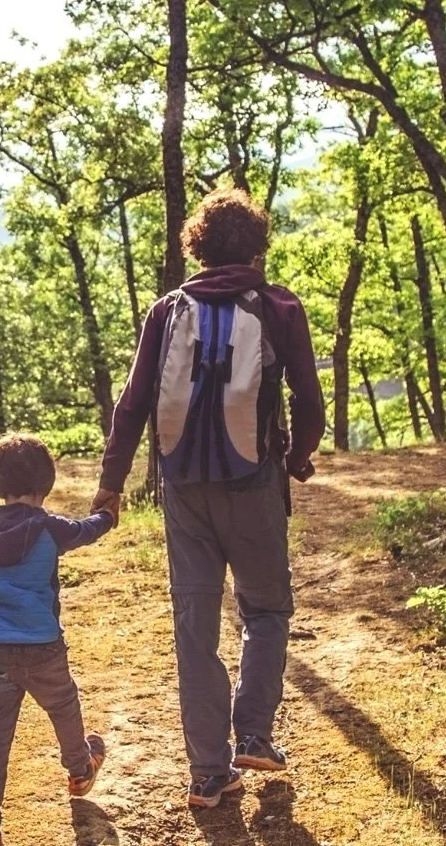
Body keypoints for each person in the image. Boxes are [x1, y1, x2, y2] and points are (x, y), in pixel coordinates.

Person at [92, 188, 324, 810]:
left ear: (196, 243)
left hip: (184, 490)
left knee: (195, 628)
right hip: (254, 486)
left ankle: (207, 773)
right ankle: (253, 733)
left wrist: (110, 486)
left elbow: (133, 404)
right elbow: (308, 397)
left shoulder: (168, 310)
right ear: (256, 245)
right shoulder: (278, 305)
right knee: (267, 611)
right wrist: (297, 458)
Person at [0, 433, 116, 846]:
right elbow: (86, 530)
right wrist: (107, 516)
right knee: (64, 706)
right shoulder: (49, 526)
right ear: (45, 484)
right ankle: (79, 770)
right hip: (42, 644)